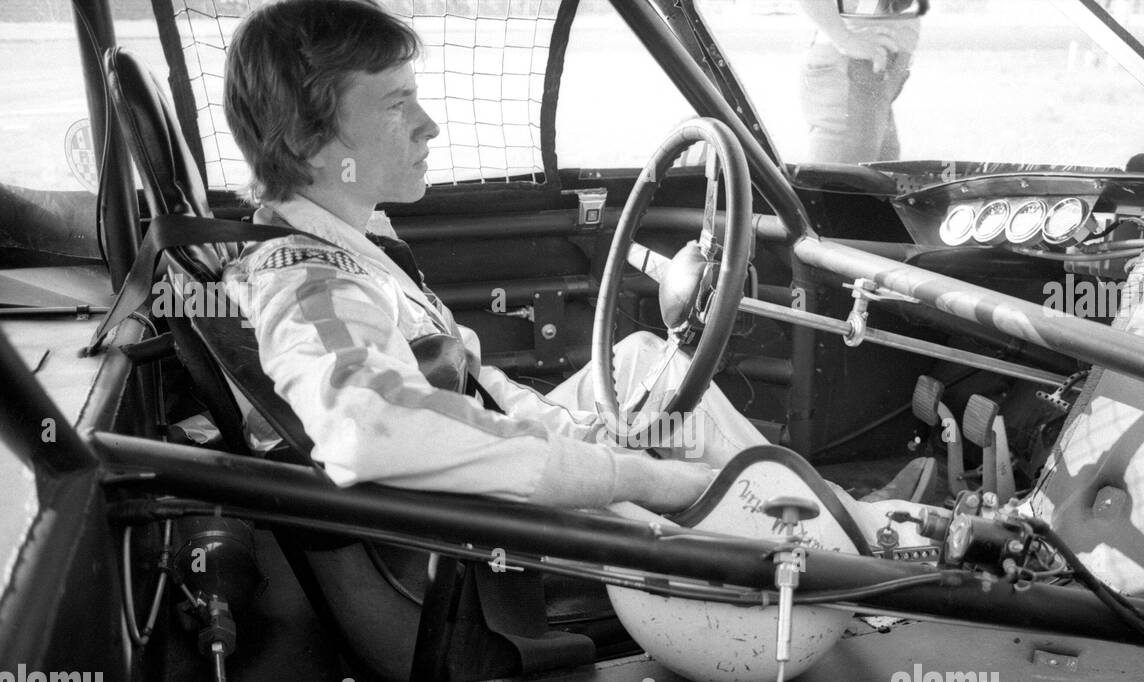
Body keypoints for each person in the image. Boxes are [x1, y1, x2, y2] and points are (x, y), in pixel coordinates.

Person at [221, 0, 920, 544]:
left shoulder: (349, 231)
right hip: (497, 536)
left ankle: (849, 519)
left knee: (660, 372)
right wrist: (644, 475)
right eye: (398, 104)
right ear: (310, 142)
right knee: (686, 449)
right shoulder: (310, 287)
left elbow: (463, 393)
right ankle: (862, 546)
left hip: (509, 451)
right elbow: (368, 422)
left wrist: (584, 434)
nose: (428, 125)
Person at [796, 0, 921, 164]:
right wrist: (845, 38)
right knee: (843, 181)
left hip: (870, 74)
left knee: (877, 179)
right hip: (853, 68)